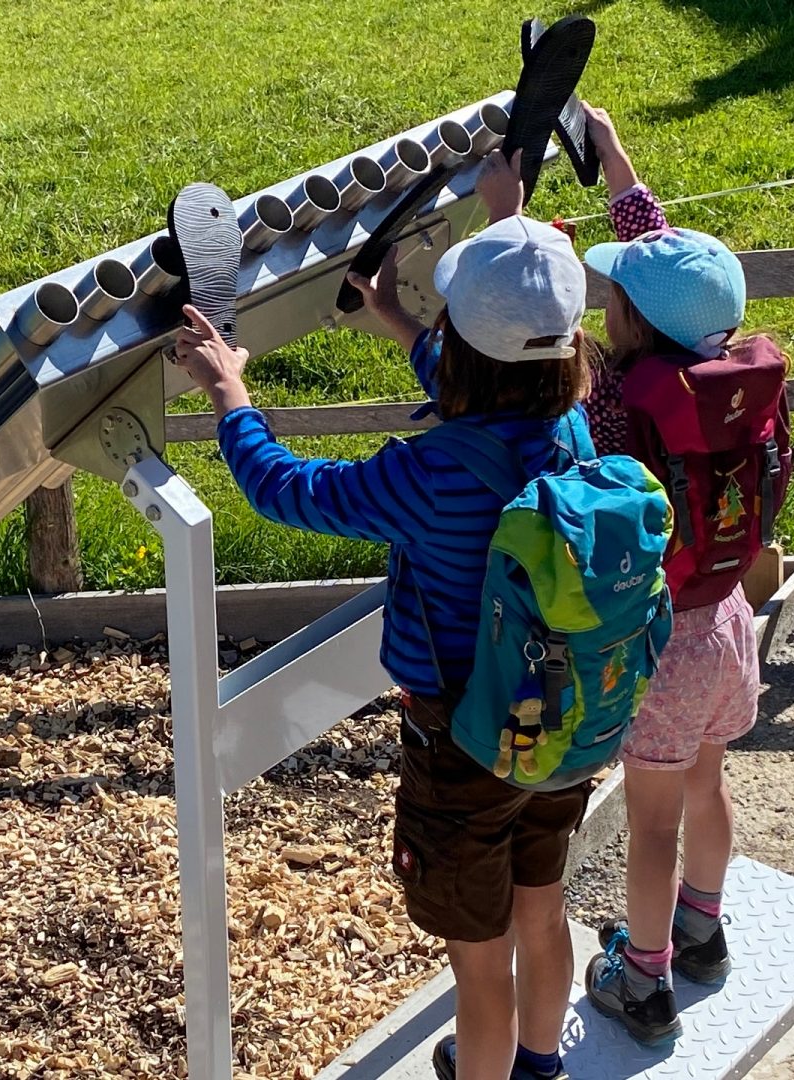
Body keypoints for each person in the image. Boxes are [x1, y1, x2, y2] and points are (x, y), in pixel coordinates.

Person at [172, 148, 591, 1080]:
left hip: (463, 740)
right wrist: (401, 321)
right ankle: (540, 1066)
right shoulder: (572, 425)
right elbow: (503, 373)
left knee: (477, 967)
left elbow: (285, 489)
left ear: (467, 352)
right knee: (542, 907)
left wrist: (230, 390)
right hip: (563, 719)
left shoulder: (427, 474)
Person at [577, 105, 785, 1044]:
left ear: (627, 322)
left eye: (610, 298)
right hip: (727, 622)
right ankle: (703, 931)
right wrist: (613, 155)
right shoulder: (726, 370)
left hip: (660, 644)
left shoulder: (622, 400)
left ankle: (645, 983)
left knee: (649, 821)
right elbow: (668, 264)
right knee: (708, 787)